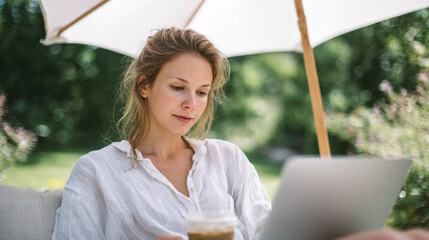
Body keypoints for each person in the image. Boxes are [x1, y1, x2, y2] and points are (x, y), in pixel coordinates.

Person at [52, 27, 429, 240]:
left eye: (202, 92)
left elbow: (267, 231)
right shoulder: (97, 172)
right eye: (178, 87)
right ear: (145, 86)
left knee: (401, 238)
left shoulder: (225, 157)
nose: (191, 104)